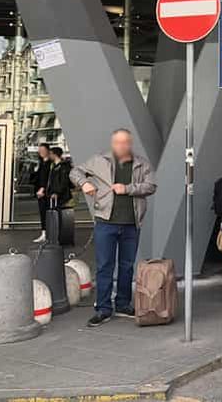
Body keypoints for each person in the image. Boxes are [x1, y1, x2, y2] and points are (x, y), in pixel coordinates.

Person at [70, 129, 156, 327]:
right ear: (112, 143)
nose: (121, 146)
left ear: (130, 143)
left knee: (126, 266)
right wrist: (84, 184)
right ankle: (103, 308)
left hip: (131, 224)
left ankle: (123, 304)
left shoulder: (141, 164)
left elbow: (150, 187)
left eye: (125, 142)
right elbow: (75, 171)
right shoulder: (100, 160)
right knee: (104, 266)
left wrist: (127, 189)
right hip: (105, 222)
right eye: (117, 142)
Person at [33, 143, 52, 243]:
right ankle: (44, 233)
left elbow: (48, 179)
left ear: (48, 151)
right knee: (42, 213)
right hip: (39, 192)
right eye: (39, 151)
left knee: (49, 213)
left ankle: (50, 234)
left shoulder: (50, 163)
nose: (41, 152)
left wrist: (43, 189)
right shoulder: (40, 163)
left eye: (43, 150)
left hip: (47, 192)